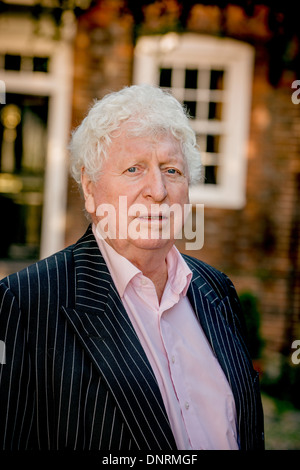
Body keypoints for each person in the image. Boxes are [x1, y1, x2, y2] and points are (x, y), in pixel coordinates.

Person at [0, 84, 264, 451]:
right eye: (134, 168)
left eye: (172, 170)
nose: (157, 189)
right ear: (91, 191)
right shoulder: (25, 304)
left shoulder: (217, 290)